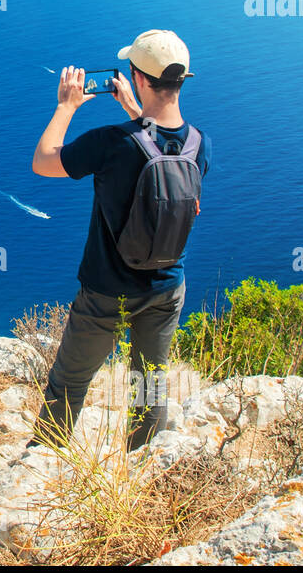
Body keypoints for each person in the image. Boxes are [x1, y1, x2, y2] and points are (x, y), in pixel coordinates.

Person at [28, 29, 210, 451]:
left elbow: (43, 161)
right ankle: (144, 464)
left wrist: (66, 107)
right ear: (181, 80)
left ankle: (43, 462)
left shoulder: (111, 143)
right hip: (167, 288)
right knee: (149, 385)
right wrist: (135, 108)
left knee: (70, 382)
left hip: (107, 291)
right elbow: (160, 148)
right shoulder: (201, 145)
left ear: (139, 78)